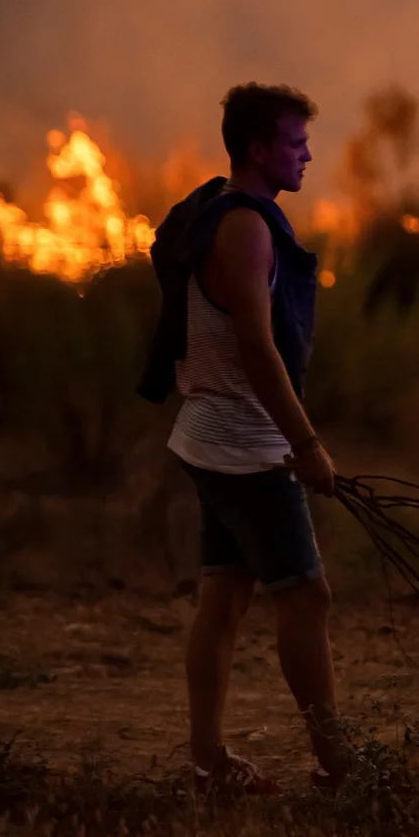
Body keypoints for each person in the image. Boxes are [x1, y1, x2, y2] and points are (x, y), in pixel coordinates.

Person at [138, 83, 346, 795]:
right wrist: (307, 442)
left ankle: (207, 762)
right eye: (296, 143)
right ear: (258, 148)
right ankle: (337, 765)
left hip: (207, 436)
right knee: (307, 596)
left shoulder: (227, 214)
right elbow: (258, 349)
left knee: (223, 599)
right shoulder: (248, 227)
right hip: (245, 446)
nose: (307, 154)